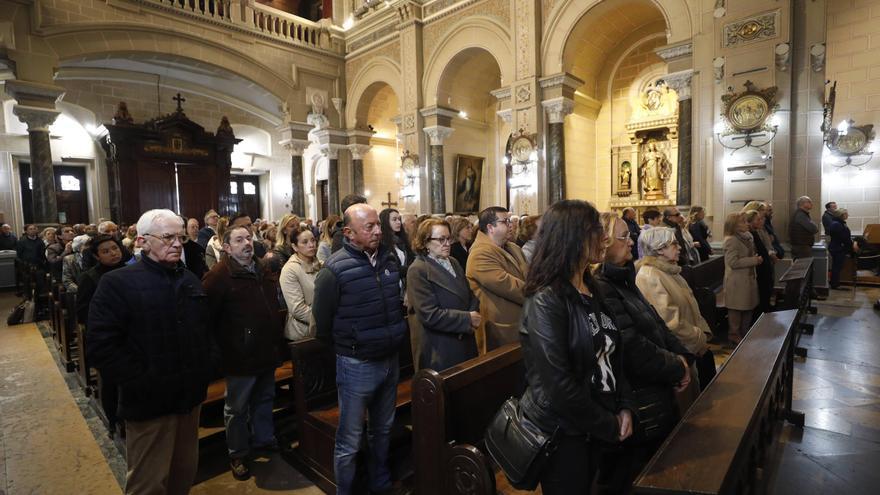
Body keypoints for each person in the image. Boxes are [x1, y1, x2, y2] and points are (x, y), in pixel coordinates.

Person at [86, 209, 214, 495]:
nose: (178, 243)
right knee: (149, 483)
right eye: (168, 237)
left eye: (179, 237)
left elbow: (205, 331)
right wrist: (143, 381)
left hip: (188, 398)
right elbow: (101, 346)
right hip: (149, 404)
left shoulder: (190, 280)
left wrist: (205, 368)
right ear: (143, 241)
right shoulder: (118, 283)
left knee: (183, 475)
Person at [519, 200, 633, 493]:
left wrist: (624, 407)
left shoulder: (591, 287)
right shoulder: (546, 300)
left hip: (596, 423)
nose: (604, 237)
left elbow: (612, 355)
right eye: (596, 229)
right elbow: (559, 386)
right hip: (565, 432)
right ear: (572, 237)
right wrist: (609, 425)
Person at [311, 203, 407, 495]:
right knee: (350, 440)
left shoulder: (389, 260)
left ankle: (380, 482)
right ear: (349, 233)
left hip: (390, 359)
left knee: (382, 431)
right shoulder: (335, 269)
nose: (379, 230)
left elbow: (394, 306)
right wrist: (350, 346)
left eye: (378, 225)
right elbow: (321, 324)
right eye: (370, 227)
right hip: (357, 364)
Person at [594, 212, 693, 491]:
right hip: (640, 398)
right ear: (602, 244)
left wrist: (682, 354)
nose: (631, 241)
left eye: (629, 235)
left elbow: (655, 323)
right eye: (623, 236)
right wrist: (676, 365)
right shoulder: (602, 286)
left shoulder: (625, 278)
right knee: (640, 475)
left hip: (655, 389)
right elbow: (630, 345)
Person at [203, 220, 284, 481]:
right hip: (239, 355)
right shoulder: (218, 276)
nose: (247, 243)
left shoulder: (261, 268)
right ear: (226, 247)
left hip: (266, 350)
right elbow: (207, 319)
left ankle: (263, 439)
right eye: (239, 240)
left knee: (264, 399)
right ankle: (238, 452)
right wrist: (225, 348)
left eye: (248, 238)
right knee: (237, 409)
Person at [636, 228, 716, 389]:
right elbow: (671, 323)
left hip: (693, 346)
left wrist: (703, 335)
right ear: (659, 249)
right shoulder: (650, 276)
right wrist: (699, 340)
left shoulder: (671, 271)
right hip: (681, 352)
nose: (679, 247)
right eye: (674, 244)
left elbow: (692, 309)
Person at [406, 218, 480, 371]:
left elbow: (469, 294)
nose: (447, 243)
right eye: (441, 239)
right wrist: (466, 318)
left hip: (465, 336)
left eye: (448, 238)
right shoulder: (418, 269)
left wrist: (473, 314)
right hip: (441, 345)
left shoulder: (452, 261)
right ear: (425, 242)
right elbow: (429, 314)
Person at [75, 234, 127, 434]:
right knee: (111, 383)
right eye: (106, 251)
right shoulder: (90, 277)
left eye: (115, 248)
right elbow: (83, 312)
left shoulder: (129, 271)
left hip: (130, 335)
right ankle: (114, 420)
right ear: (97, 256)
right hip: (108, 339)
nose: (113, 253)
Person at [465, 206, 528, 353]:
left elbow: (530, 275)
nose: (510, 225)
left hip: (523, 323)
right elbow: (509, 286)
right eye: (505, 221)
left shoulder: (514, 247)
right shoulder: (480, 254)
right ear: (490, 227)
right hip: (500, 329)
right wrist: (541, 294)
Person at [722, 212, 762, 344]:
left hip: (747, 278)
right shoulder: (731, 240)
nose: (747, 224)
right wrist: (754, 260)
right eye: (743, 222)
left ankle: (745, 333)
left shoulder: (747, 237)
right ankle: (734, 334)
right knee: (736, 309)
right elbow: (732, 263)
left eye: (746, 221)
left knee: (748, 307)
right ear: (734, 226)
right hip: (737, 281)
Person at [280, 227, 321, 341]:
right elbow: (297, 308)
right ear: (294, 247)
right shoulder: (290, 270)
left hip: (322, 329)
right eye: (305, 242)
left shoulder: (320, 264)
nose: (311, 245)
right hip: (302, 334)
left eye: (313, 240)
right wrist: (324, 317)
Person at [746, 210, 776, 316]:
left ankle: (765, 311)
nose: (761, 221)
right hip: (758, 268)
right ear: (749, 222)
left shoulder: (755, 232)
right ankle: (761, 315)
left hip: (763, 266)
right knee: (762, 292)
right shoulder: (749, 234)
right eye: (758, 219)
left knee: (766, 291)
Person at [379, 208, 415, 286]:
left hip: (405, 284)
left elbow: (410, 258)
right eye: (394, 220)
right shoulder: (381, 243)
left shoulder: (401, 240)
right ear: (385, 222)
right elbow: (392, 268)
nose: (398, 222)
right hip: (392, 285)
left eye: (399, 219)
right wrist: (411, 269)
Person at [828, 208, 857, 290]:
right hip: (837, 248)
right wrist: (851, 244)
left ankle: (835, 283)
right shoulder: (837, 224)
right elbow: (843, 237)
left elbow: (845, 236)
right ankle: (834, 284)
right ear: (842, 215)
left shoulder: (839, 223)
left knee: (837, 266)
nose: (848, 215)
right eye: (846, 214)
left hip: (838, 247)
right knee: (837, 267)